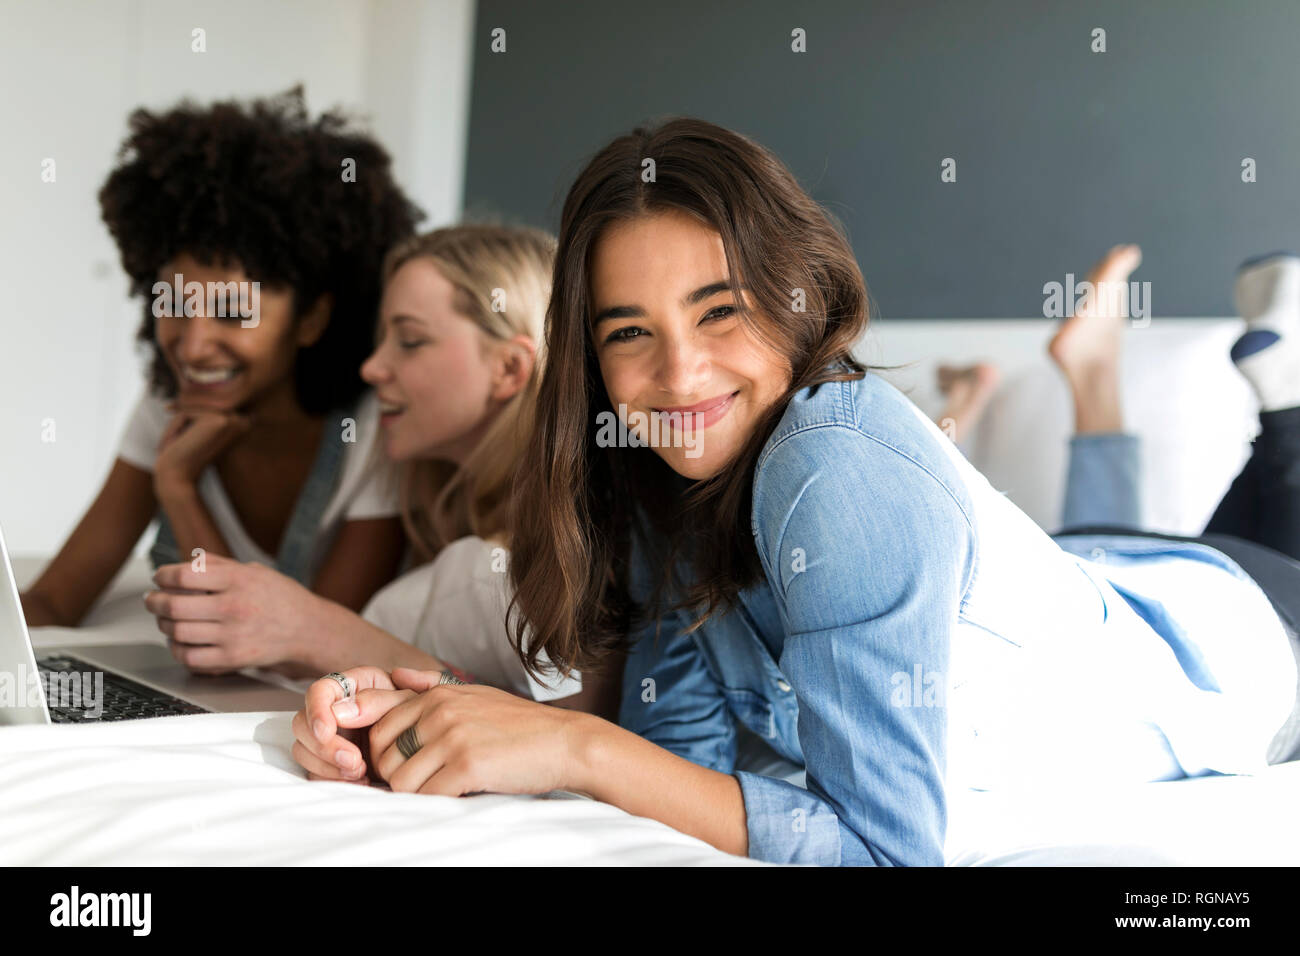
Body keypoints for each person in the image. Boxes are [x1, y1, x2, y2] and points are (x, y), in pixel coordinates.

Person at [288, 118, 1300, 867]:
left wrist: (569, 743)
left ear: (796, 298)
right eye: (628, 331)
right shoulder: (664, 477)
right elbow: (670, 753)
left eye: (719, 312)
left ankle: (1283, 404)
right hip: (1093, 573)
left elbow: (890, 850)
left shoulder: (834, 471)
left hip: (1240, 641)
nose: (678, 376)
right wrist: (423, 723)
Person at [143, 226, 612, 712]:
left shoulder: (566, 545)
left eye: (409, 340)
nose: (372, 368)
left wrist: (326, 633)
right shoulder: (434, 505)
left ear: (510, 368)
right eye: (382, 338)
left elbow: (571, 731)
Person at [20, 88, 421, 631]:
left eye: (233, 313)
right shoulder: (168, 402)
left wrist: (179, 489)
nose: (191, 346)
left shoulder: (373, 428)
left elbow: (307, 650)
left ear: (311, 319)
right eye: (174, 305)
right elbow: (54, 602)